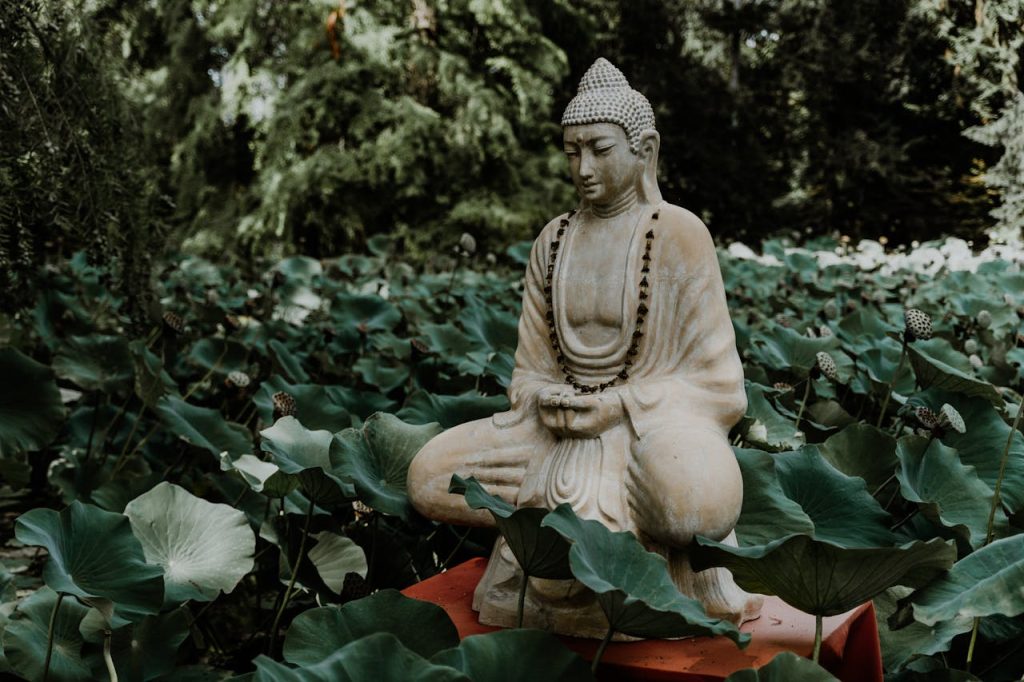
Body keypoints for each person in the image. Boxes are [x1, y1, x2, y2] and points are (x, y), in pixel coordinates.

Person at [408, 58, 761, 636]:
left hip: (653, 432)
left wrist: (620, 406)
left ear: (643, 151)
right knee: (427, 477)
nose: (583, 167)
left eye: (599, 149)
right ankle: (555, 553)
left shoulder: (678, 234)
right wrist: (547, 398)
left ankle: (640, 575)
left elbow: (721, 386)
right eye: (572, 152)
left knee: (694, 505)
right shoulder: (554, 240)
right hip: (553, 432)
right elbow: (527, 373)